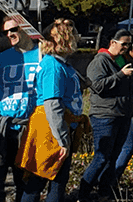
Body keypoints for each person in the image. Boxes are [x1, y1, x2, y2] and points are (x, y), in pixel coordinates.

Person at [16, 19, 87, 202]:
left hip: (58, 127)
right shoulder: (52, 66)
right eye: (71, 37)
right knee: (42, 180)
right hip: (51, 129)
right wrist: (62, 139)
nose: (75, 40)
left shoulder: (61, 64)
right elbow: (52, 104)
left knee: (56, 181)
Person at [79, 29, 133, 201]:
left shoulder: (125, 60)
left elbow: (132, 86)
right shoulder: (100, 62)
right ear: (113, 43)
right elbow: (97, 86)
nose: (126, 47)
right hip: (105, 115)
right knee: (101, 157)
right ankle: (83, 194)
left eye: (129, 44)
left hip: (123, 114)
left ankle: (104, 192)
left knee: (114, 156)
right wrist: (120, 75)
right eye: (123, 44)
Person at [1, 15, 42, 202]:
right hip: (4, 125)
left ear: (26, 29)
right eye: (6, 31)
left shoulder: (43, 55)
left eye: (14, 29)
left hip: (29, 126)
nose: (10, 34)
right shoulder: (3, 57)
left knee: (24, 182)